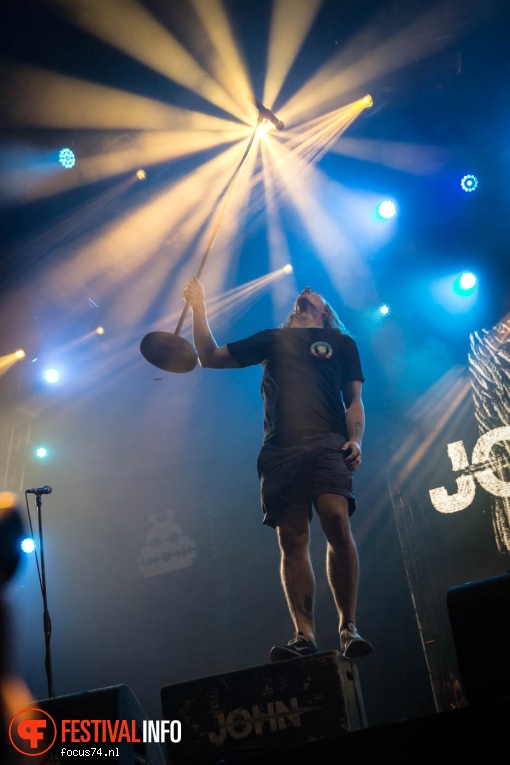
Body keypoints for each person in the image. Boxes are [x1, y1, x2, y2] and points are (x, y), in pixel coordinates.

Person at [183, 277, 373, 661]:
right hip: (279, 449)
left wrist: (356, 441)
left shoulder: (342, 344)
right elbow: (209, 358)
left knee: (336, 518)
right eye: (301, 295)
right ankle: (304, 635)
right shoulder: (272, 338)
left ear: (325, 312)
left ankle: (348, 626)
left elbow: (354, 400)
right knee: (292, 538)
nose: (305, 290)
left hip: (326, 440)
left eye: (313, 292)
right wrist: (199, 309)